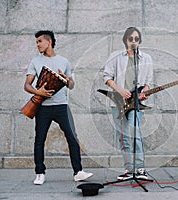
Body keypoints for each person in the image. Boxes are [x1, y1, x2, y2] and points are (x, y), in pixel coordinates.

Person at [24, 30, 93, 185]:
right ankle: (40, 173)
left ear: (49, 42)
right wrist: (38, 91)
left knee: (72, 138)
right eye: (36, 42)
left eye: (39, 41)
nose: (37, 45)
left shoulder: (64, 61)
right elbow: (27, 85)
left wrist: (68, 80)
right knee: (39, 140)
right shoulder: (35, 61)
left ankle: (78, 172)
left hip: (62, 106)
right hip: (43, 108)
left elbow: (72, 85)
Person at [103, 27, 153, 180]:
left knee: (135, 134)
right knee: (123, 137)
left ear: (139, 41)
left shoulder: (146, 58)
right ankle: (128, 170)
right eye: (130, 38)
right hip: (118, 103)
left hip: (136, 104)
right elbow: (107, 77)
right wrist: (120, 90)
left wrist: (144, 92)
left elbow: (149, 82)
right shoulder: (115, 56)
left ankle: (140, 169)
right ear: (125, 40)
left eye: (136, 39)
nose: (133, 41)